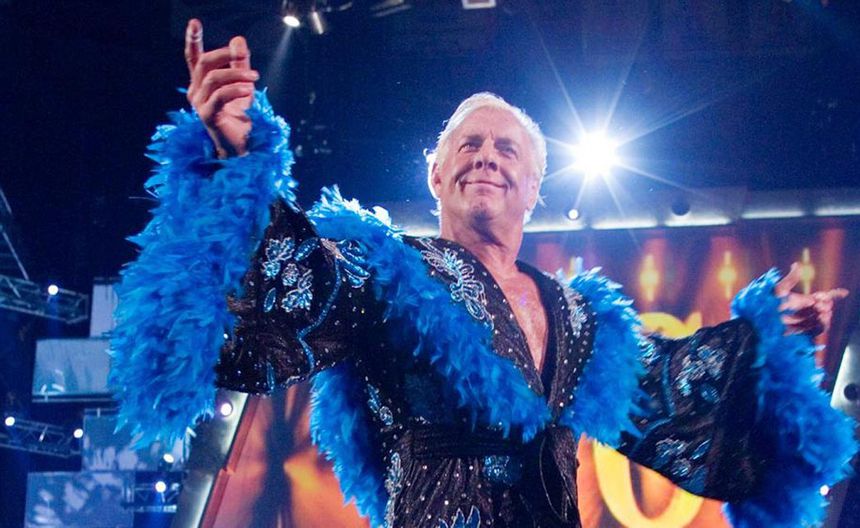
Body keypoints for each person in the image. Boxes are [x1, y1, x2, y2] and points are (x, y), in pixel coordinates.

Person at [109, 19, 857, 528]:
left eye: (506, 150)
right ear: (436, 177)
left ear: (534, 188)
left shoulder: (579, 316)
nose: (486, 157)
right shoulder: (390, 268)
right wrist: (237, 162)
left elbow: (673, 388)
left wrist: (765, 342)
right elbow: (295, 282)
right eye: (467, 146)